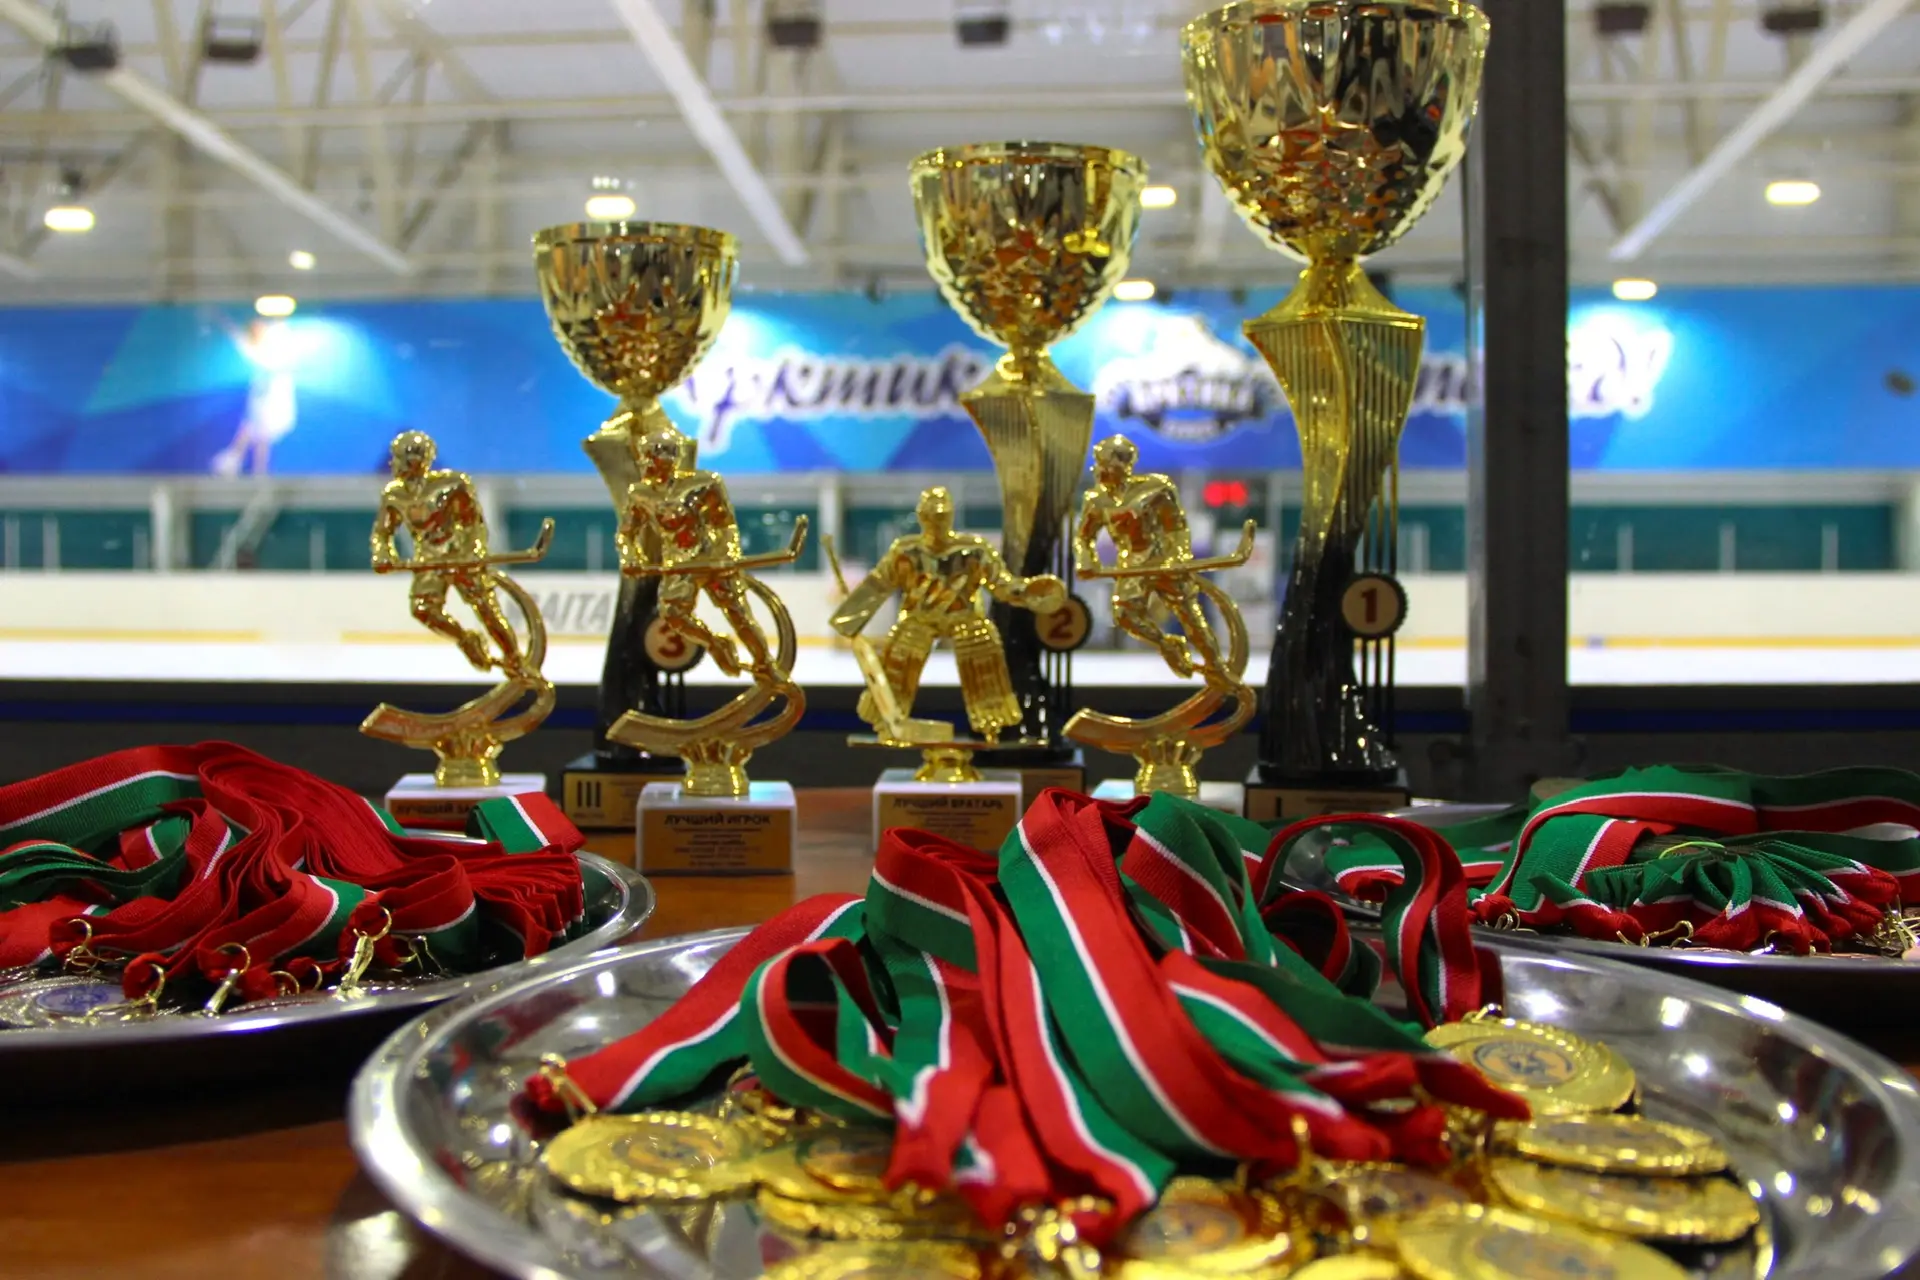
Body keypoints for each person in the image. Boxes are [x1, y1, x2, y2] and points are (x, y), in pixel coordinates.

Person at [832, 485, 1064, 744]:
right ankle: (886, 720)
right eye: (930, 516)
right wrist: (849, 618)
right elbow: (879, 584)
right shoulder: (905, 551)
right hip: (918, 620)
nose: (936, 522)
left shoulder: (974, 550)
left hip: (965, 618)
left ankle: (993, 724)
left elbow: (1002, 584)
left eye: (941, 516)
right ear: (921, 517)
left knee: (983, 651)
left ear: (950, 516)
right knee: (900, 655)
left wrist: (1028, 591)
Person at [616, 428, 772, 679]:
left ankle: (765, 664)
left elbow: (725, 524)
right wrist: (630, 556)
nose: (645, 463)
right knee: (673, 615)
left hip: (712, 559)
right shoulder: (640, 494)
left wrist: (728, 554)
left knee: (738, 613)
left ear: (666, 458)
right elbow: (626, 534)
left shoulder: (704, 484)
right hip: (679, 564)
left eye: (649, 457)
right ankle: (715, 643)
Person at [369, 431, 526, 676]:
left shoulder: (452, 484)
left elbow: (473, 524)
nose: (392, 463)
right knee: (423, 609)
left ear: (414, 460)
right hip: (429, 559)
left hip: (460, 555)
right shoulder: (393, 495)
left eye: (397, 457)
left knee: (486, 609)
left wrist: (473, 552)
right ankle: (466, 640)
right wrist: (383, 554)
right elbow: (382, 532)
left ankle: (514, 659)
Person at [1074, 434, 1224, 679]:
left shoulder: (1156, 488)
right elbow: (1083, 537)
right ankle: (1167, 645)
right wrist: (1086, 560)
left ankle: (1217, 667)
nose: (1098, 470)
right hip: (1132, 564)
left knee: (1190, 616)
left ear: (1123, 465)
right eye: (1097, 463)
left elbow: (1177, 528)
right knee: (1125, 616)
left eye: (1104, 463)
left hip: (1163, 560)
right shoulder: (1096, 501)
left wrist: (1178, 557)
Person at [212, 318, 298, 476]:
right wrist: (222, 320)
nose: (259, 328)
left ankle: (255, 471)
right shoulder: (256, 351)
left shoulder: (274, 346)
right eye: (256, 328)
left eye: (260, 326)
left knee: (259, 434)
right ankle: (243, 466)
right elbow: (238, 337)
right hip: (262, 398)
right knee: (251, 430)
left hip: (273, 399)